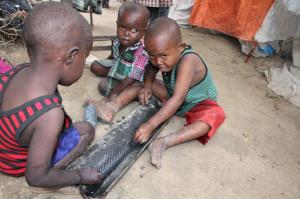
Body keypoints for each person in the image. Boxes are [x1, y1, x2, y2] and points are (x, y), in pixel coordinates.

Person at [0, 2, 102, 188]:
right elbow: (36, 178)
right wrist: (80, 175)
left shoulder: (18, 71)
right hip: (15, 164)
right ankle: (55, 168)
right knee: (87, 130)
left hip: (6, 148)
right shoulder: (49, 115)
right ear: (71, 57)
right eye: (84, 58)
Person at [133, 17, 225, 169]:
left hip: (197, 104)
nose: (158, 61)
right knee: (142, 84)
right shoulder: (159, 57)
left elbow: (177, 99)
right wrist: (148, 86)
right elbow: (151, 68)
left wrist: (150, 125)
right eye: (152, 56)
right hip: (174, 95)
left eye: (163, 56)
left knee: (216, 116)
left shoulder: (188, 60)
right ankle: (117, 103)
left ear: (180, 48)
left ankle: (164, 142)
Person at [88, 2, 150, 123]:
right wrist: (106, 63)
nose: (126, 34)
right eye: (122, 28)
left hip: (132, 79)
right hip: (120, 68)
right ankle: (114, 88)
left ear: (144, 32)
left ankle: (113, 103)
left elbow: (132, 77)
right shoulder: (118, 41)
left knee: (129, 89)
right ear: (117, 24)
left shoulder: (141, 52)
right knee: (95, 67)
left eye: (134, 30)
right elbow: (113, 57)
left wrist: (114, 92)